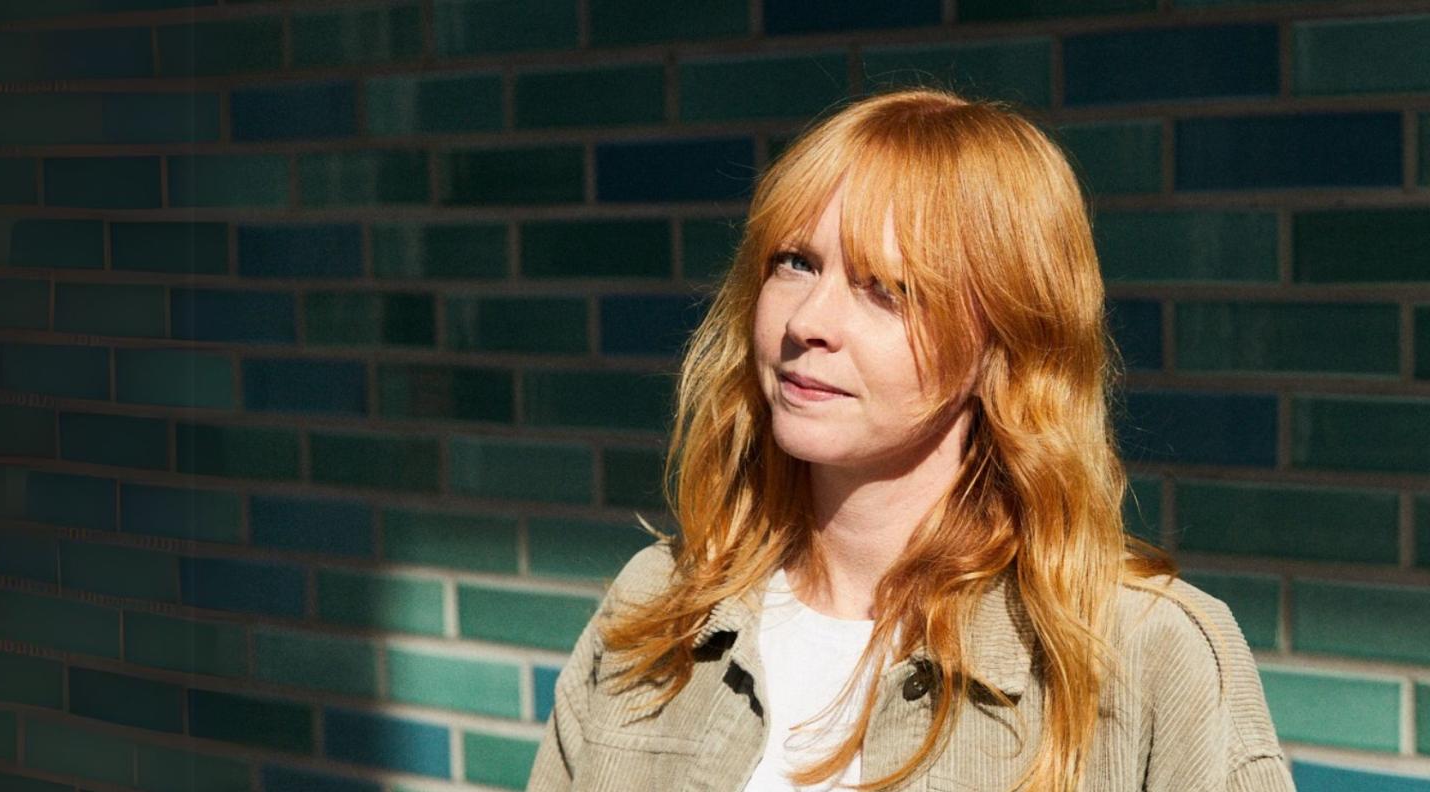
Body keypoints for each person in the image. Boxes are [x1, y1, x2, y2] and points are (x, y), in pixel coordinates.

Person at [526, 87, 1293, 792]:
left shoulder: (1150, 653)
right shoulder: (657, 607)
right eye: (795, 263)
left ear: (1006, 337)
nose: (807, 323)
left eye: (886, 288)